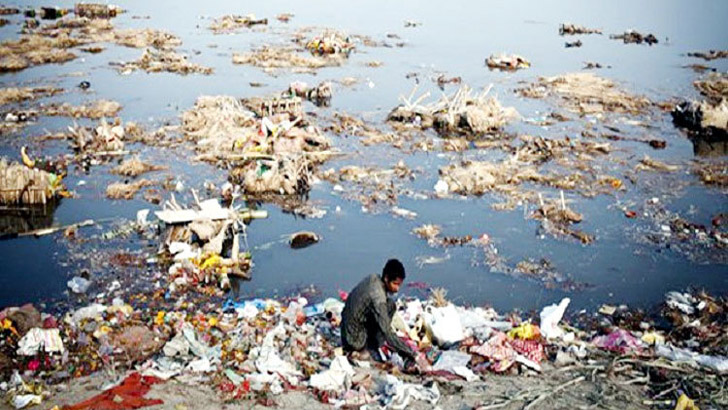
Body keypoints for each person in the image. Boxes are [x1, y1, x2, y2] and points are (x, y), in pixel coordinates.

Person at [341, 259, 424, 368]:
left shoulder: (373, 278)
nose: (397, 289)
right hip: (353, 339)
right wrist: (412, 353)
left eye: (399, 285)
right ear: (386, 278)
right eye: (395, 284)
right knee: (386, 320)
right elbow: (387, 333)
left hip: (347, 327)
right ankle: (372, 347)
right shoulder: (377, 296)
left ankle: (373, 342)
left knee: (390, 305)